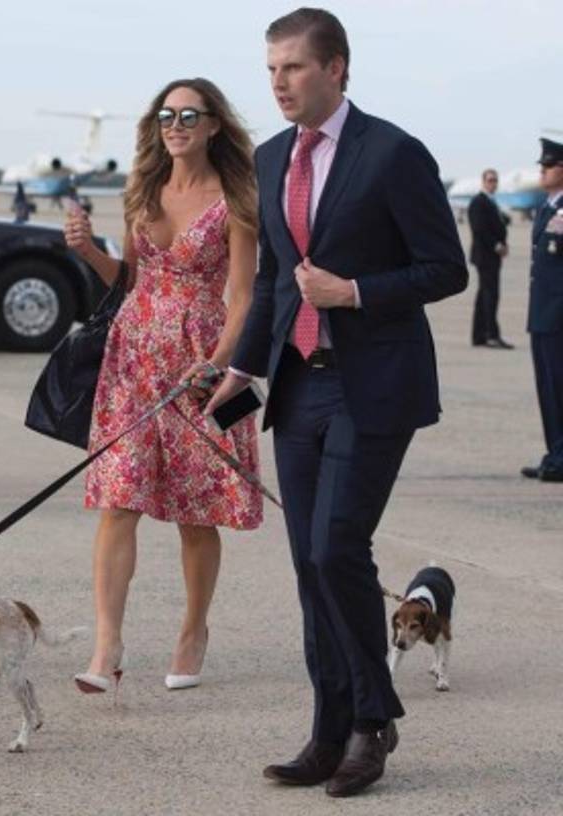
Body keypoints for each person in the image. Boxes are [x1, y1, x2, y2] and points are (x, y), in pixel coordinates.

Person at [204, 8, 466, 798]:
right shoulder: (272, 155)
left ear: (337, 68)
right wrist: (241, 370)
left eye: (293, 68)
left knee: (335, 549)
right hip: (299, 385)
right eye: (271, 70)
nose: (278, 83)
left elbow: (444, 269)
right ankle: (329, 729)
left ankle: (370, 717)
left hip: (373, 383)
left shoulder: (392, 154)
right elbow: (279, 283)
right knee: (307, 567)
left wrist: (353, 292)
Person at [63, 79, 262, 696]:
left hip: (198, 366)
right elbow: (130, 278)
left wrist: (218, 362)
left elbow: (245, 296)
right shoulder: (142, 190)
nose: (174, 124)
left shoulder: (235, 198)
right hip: (132, 361)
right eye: (166, 115)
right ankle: (107, 649)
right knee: (118, 499)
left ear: (212, 126)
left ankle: (193, 630)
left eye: (188, 115)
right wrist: (89, 253)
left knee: (194, 514)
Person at [521, 137, 563, 483]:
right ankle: (555, 453)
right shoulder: (548, 206)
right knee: (548, 387)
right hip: (543, 314)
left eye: (548, 166)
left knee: (560, 385)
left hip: (559, 315)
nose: (542, 171)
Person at [468, 168, 513, 348]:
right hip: (485, 256)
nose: (493, 183)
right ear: (483, 182)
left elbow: (500, 224)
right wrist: (497, 245)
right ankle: (491, 335)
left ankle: (479, 336)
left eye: (495, 180)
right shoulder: (479, 202)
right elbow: (479, 230)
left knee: (483, 295)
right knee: (490, 295)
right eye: (490, 180)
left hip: (491, 256)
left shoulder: (491, 202)